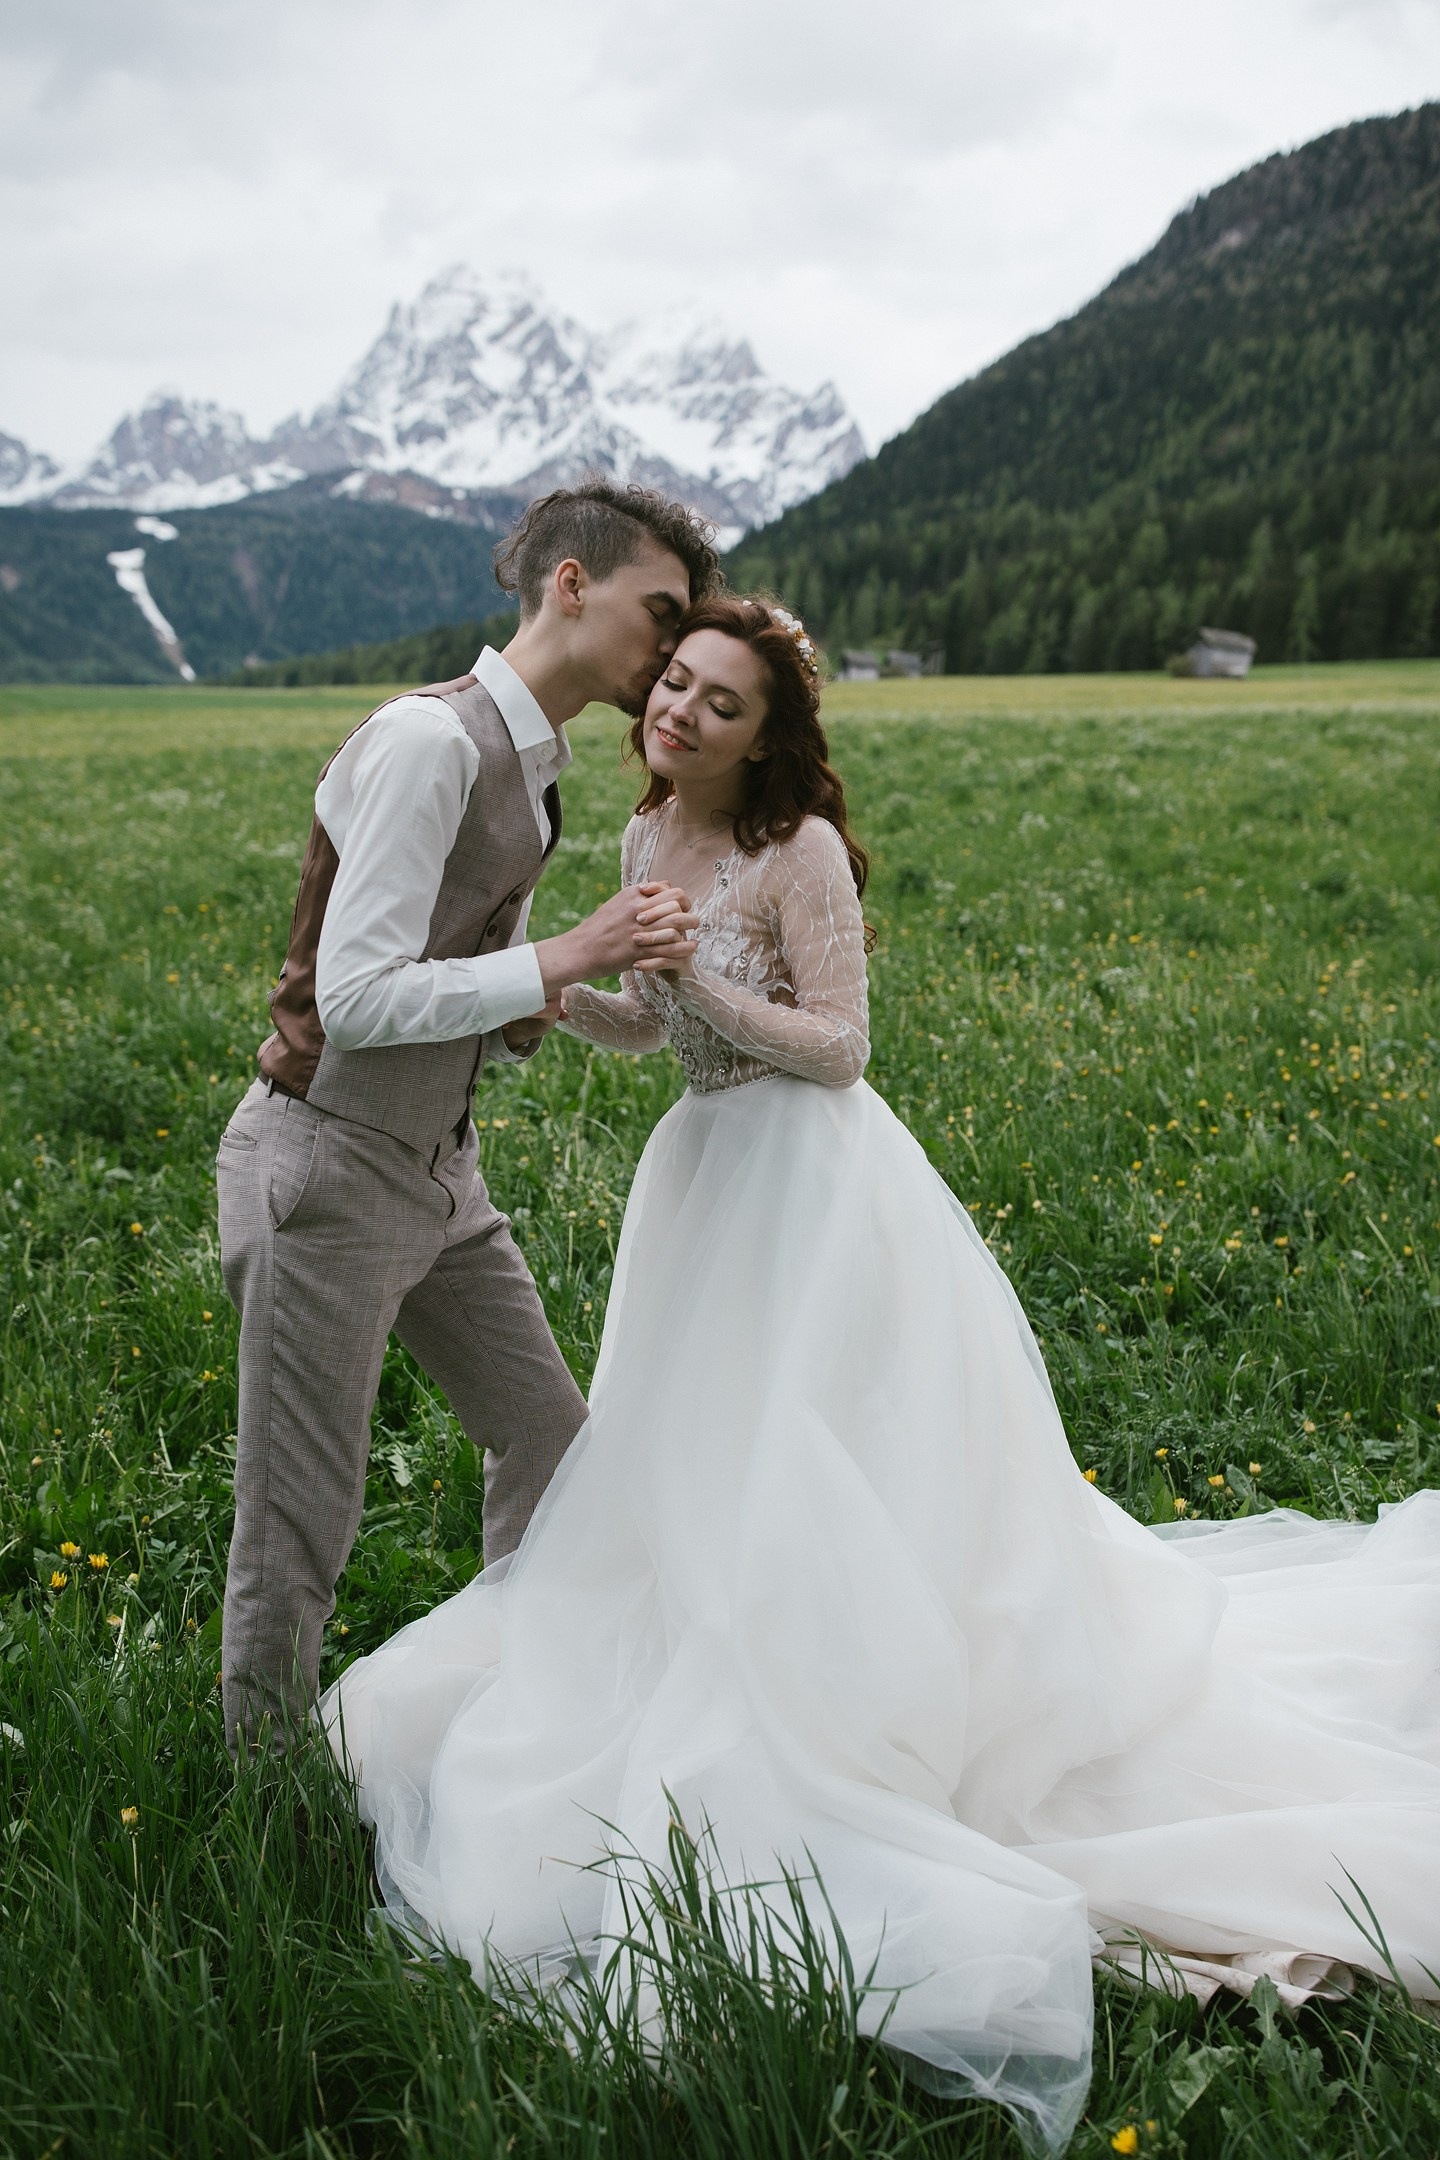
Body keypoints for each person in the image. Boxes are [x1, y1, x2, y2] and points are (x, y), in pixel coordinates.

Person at [321, 594, 1440, 2152]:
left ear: (770, 737)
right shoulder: (650, 837)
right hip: (705, 1177)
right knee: (695, 1461)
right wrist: (581, 996)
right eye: (678, 690)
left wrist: (701, 991)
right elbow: (661, 1035)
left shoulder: (801, 856)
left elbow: (839, 1047)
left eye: (722, 705)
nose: (684, 717)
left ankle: (857, 1683)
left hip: (815, 1187)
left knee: (815, 1455)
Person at [216, 479, 719, 1755]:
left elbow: (441, 975)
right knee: (300, 1515)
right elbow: (358, 994)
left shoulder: (535, 770)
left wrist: (544, 1001)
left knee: (554, 1446)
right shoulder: (427, 741)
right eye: (659, 612)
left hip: (441, 1178)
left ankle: (514, 1722)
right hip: (323, 1168)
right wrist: (565, 955)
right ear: (569, 584)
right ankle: (259, 1799)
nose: (671, 652)